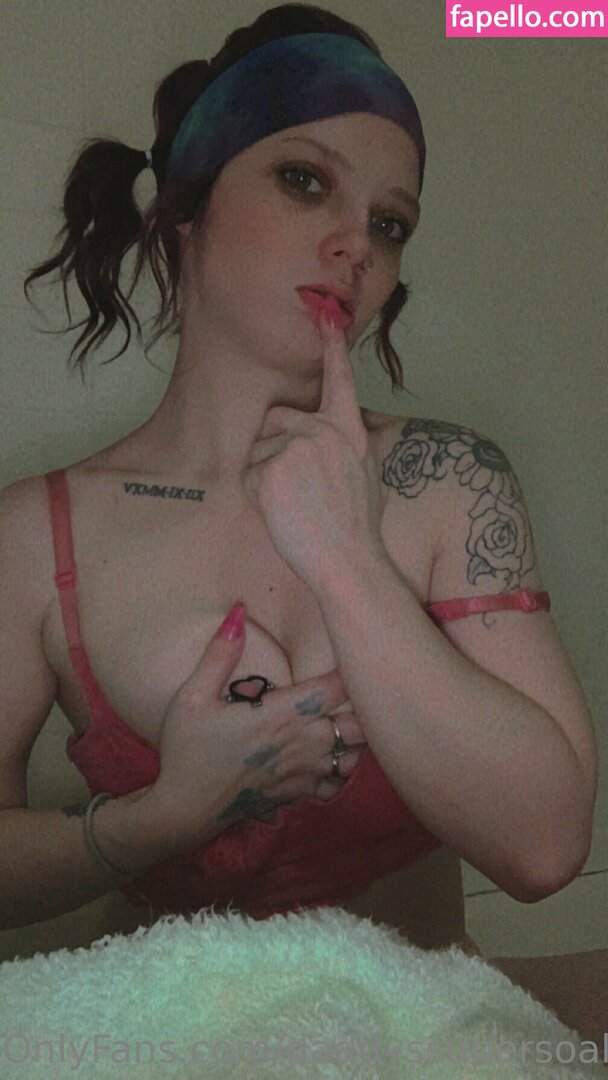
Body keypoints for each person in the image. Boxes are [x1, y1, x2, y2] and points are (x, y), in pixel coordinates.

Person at [1, 4, 595, 949]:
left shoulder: (447, 480)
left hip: (423, 1022)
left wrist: (347, 560)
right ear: (187, 205)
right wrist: (163, 817)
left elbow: (545, 848)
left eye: (389, 224)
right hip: (166, 1021)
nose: (357, 244)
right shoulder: (36, 533)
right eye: (305, 181)